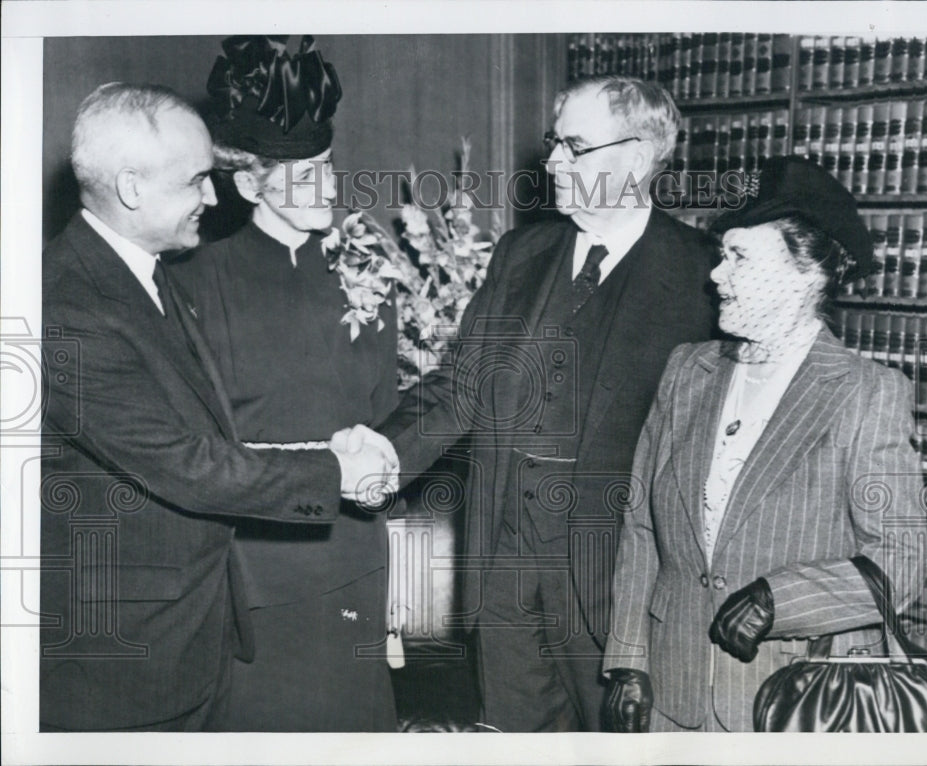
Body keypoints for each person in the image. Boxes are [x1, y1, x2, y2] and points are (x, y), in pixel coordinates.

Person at [39, 82, 394, 731]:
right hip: (130, 655)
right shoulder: (68, 308)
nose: (212, 195)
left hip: (193, 631)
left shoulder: (144, 273)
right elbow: (185, 463)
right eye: (198, 180)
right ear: (132, 189)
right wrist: (336, 471)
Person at [376, 76, 716, 731]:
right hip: (504, 576)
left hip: (619, 594)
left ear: (638, 159)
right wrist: (381, 452)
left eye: (576, 146)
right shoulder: (522, 252)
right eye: (554, 143)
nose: (554, 162)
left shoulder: (703, 276)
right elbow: (461, 387)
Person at [601, 156, 926, 733]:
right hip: (672, 696)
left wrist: (781, 600)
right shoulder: (686, 371)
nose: (716, 276)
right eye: (722, 255)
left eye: (740, 257)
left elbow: (899, 563)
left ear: (808, 274)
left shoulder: (865, 392)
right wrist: (628, 660)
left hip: (799, 701)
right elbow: (641, 526)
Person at [173, 36, 398, 731]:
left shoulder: (366, 270)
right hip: (257, 575)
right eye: (302, 177)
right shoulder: (193, 283)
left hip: (356, 558)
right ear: (249, 185)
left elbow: (385, 417)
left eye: (327, 169)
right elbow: (198, 454)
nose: (326, 189)